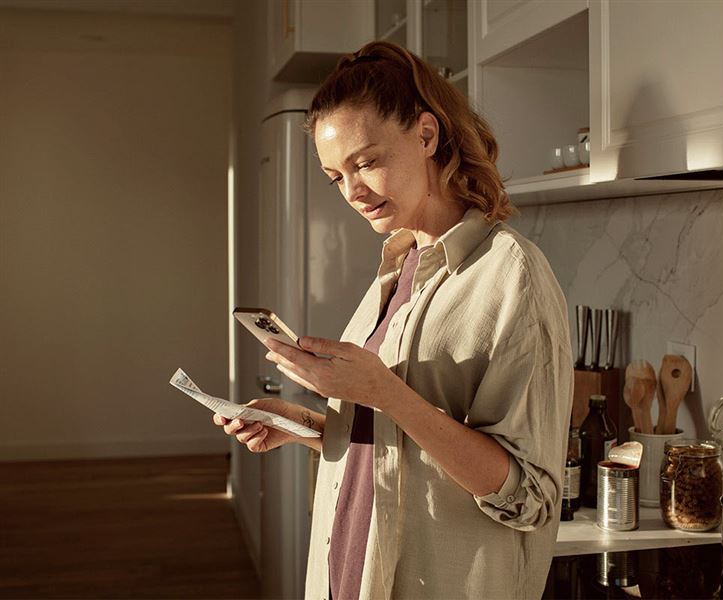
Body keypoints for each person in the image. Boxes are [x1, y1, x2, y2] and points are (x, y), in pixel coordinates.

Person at [214, 40, 573, 600]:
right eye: (336, 176)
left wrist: (386, 393)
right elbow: (396, 452)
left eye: (367, 162)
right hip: (350, 574)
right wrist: (302, 424)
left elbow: (530, 497)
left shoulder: (512, 274)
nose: (353, 192)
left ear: (427, 135)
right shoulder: (398, 263)